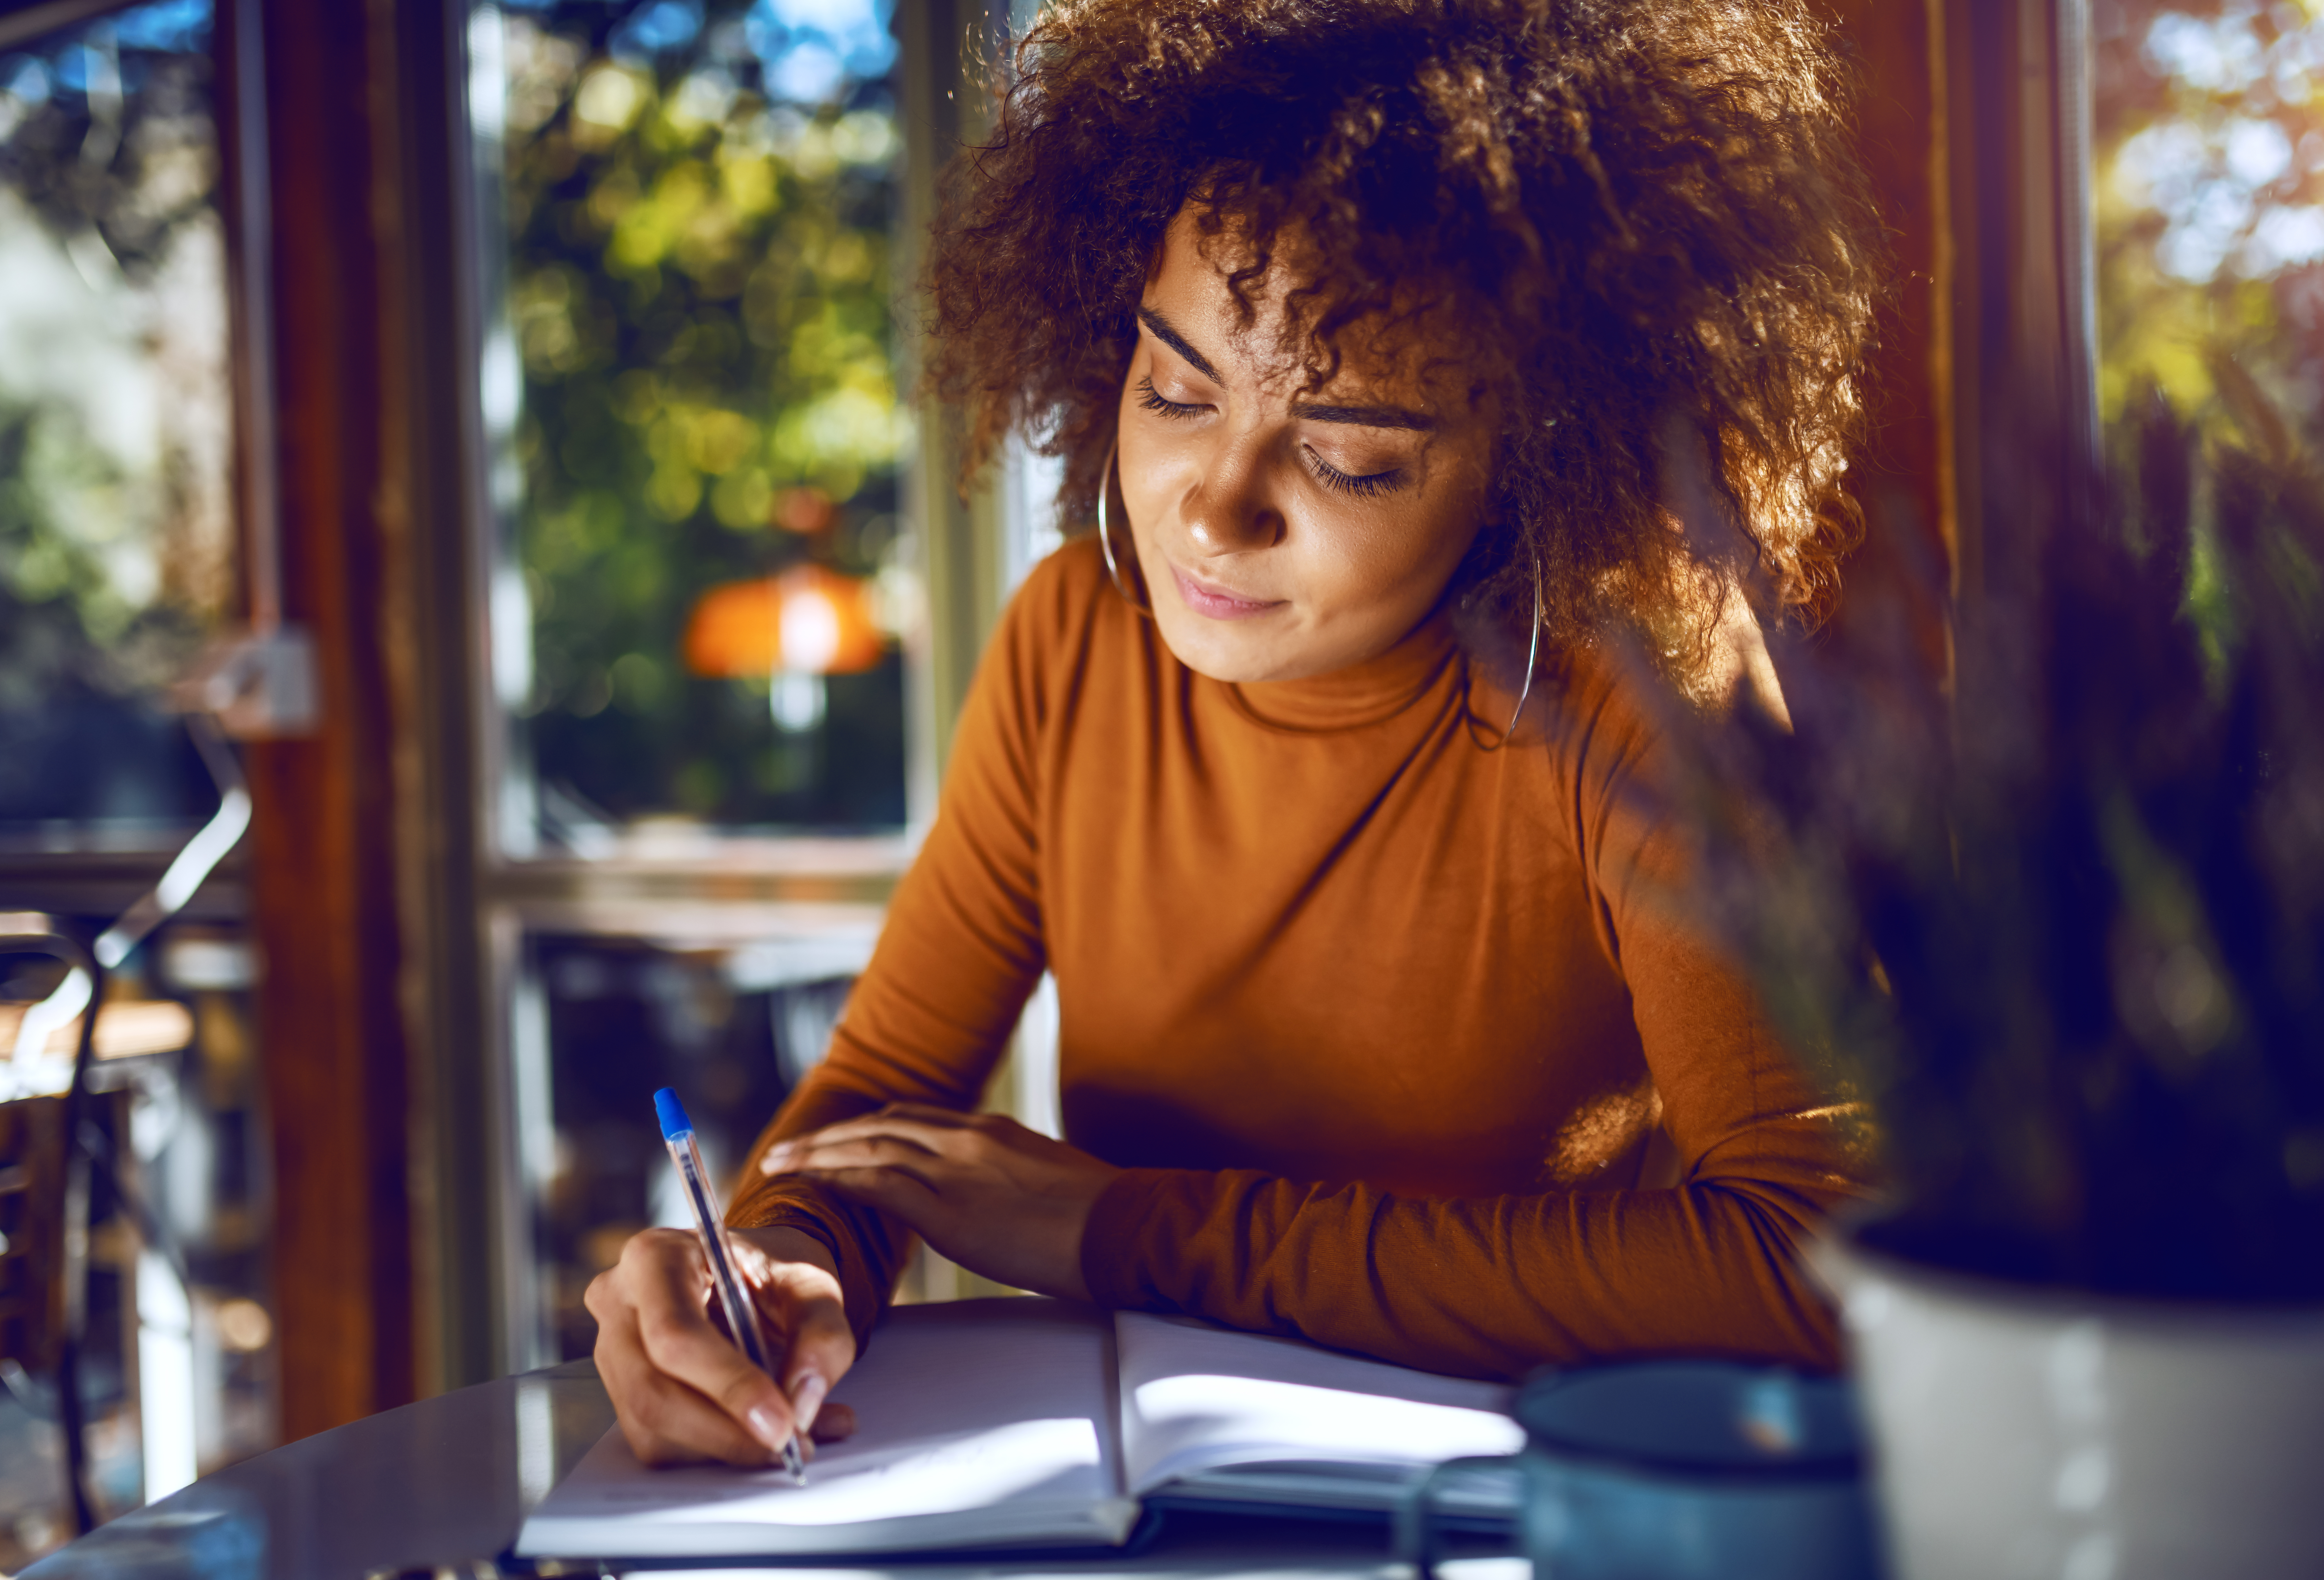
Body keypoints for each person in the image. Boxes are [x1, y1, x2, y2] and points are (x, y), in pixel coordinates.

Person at [587, 0, 1881, 1468]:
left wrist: (1133, 1229)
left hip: (1539, 1502)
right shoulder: (1074, 636)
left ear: (1536, 470)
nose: (1214, 503)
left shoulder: (1642, 687)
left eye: (1349, 456)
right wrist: (775, 1263)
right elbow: (886, 1102)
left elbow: (1816, 1252)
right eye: (1175, 388)